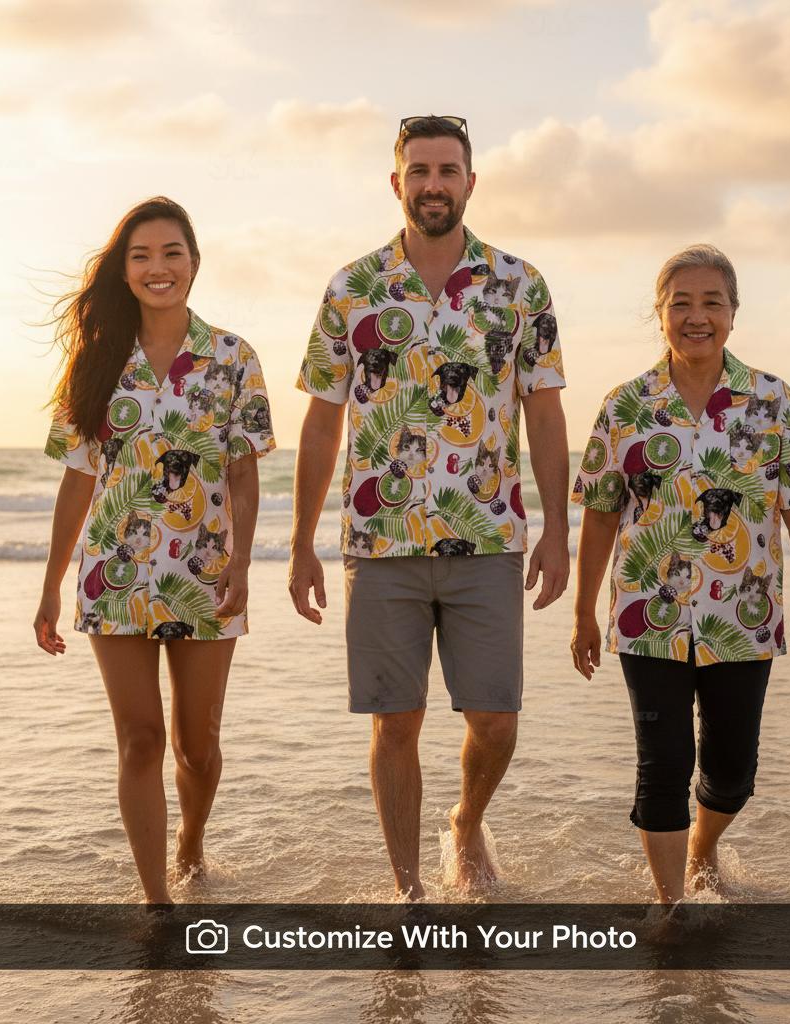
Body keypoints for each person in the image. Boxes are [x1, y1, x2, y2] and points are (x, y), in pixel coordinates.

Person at [289, 115, 570, 899]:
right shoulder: (353, 288)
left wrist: (557, 529)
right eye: (420, 171)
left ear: (471, 181)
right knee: (396, 723)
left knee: (496, 721)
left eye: (448, 170)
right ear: (397, 183)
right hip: (381, 544)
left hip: (488, 536)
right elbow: (322, 419)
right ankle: (410, 889)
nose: (434, 184)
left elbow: (544, 412)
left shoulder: (520, 284)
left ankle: (466, 821)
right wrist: (301, 540)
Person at [33, 196, 275, 905]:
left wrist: (242, 564)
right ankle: (157, 904)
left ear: (194, 263)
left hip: (205, 576)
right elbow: (78, 482)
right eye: (141, 256)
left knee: (196, 745)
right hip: (114, 576)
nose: (157, 268)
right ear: (124, 270)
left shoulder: (233, 357)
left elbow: (243, 473)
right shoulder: (98, 359)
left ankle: (191, 844)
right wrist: (51, 585)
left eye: (171, 253)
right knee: (140, 740)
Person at [570, 244, 790, 904]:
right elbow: (599, 514)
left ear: (734, 314)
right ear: (658, 314)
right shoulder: (626, 405)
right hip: (645, 616)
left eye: (712, 302)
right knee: (662, 767)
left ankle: (702, 850)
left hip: (744, 616)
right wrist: (582, 612)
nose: (696, 316)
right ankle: (671, 910)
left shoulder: (774, 402)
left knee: (732, 771)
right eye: (680, 303)